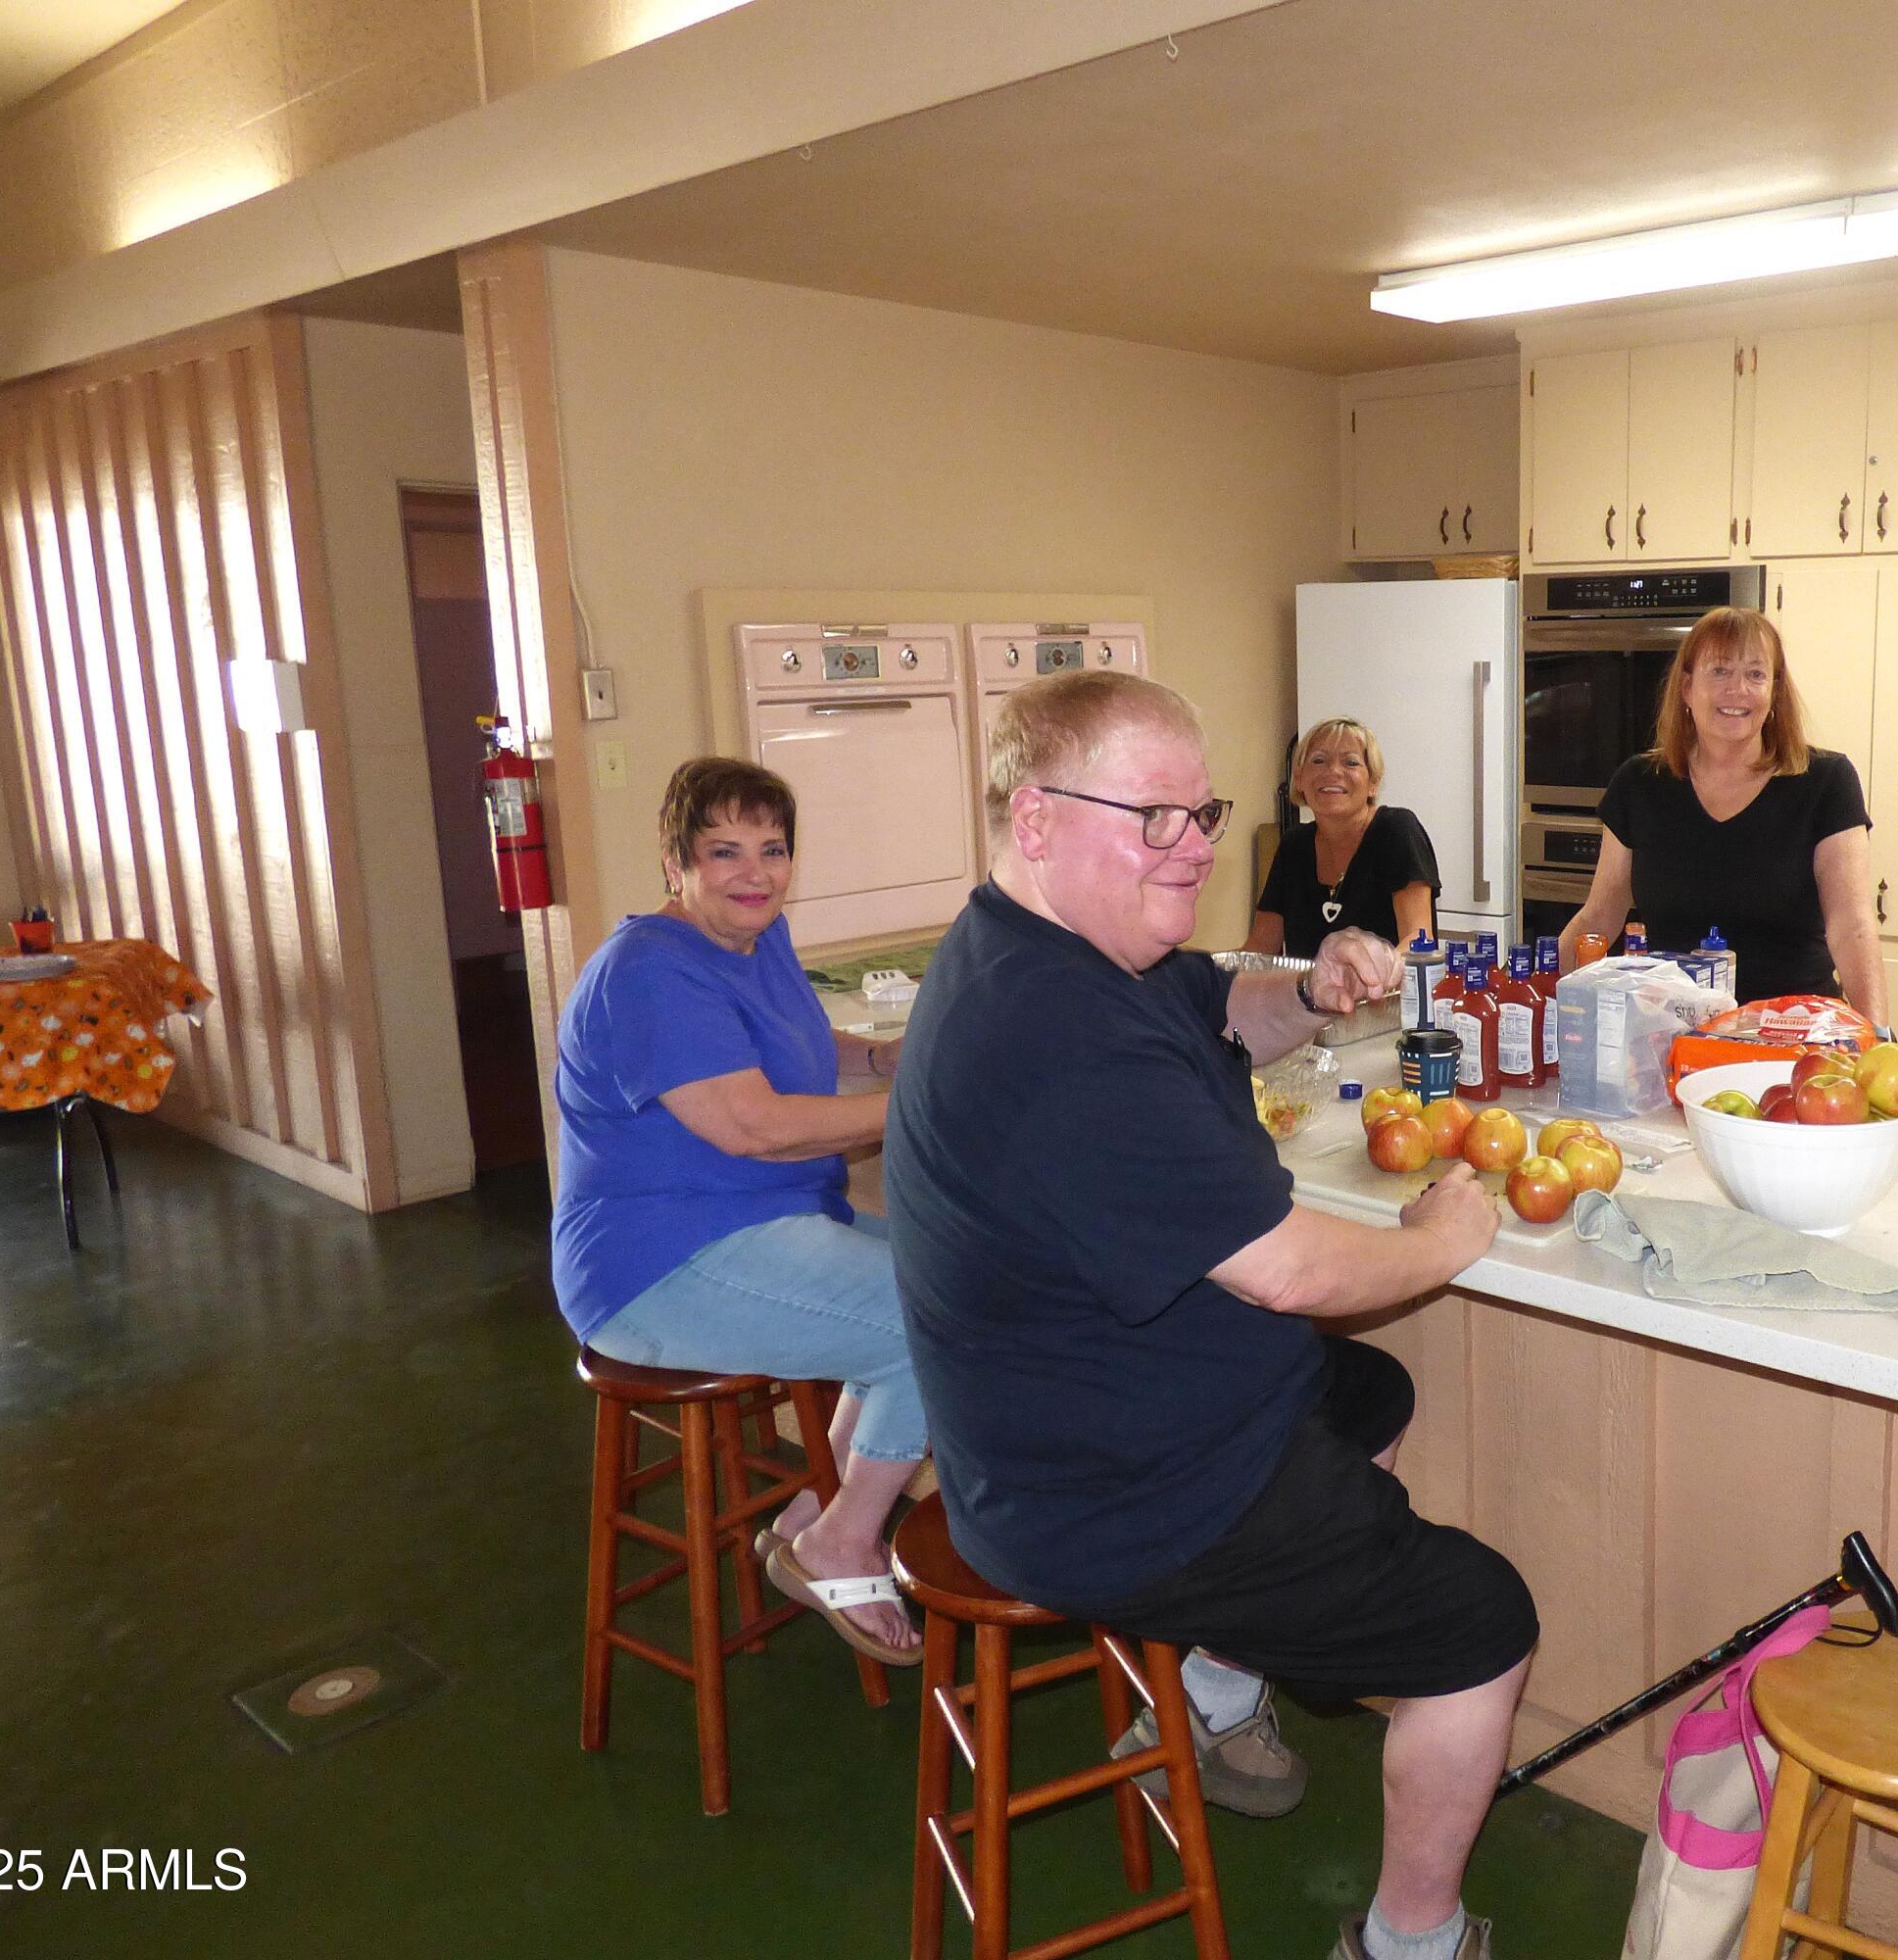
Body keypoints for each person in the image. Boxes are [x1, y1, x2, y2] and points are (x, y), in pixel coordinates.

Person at [886, 671, 1534, 1960]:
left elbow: (1213, 1003)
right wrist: (1444, 1237)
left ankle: (1217, 1686)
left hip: (1084, 1413)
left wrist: (1309, 991)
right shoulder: (1055, 1035)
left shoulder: (1055, 949)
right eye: (1152, 818)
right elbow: (1288, 1273)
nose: (1188, 848)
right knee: (1482, 1624)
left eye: (1202, 813)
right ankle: (1410, 1939)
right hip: (1105, 1492)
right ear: (1034, 820)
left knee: (1370, 1395)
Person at [551, 757, 928, 1665]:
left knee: (962, 1279)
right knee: (941, 1320)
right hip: (658, 1266)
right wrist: (931, 1097)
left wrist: (885, 1059)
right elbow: (754, 1128)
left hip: (765, 1226)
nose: (755, 873)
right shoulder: (648, 969)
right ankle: (843, 1540)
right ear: (675, 864)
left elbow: (788, 1038)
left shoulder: (755, 939)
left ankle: (816, 1520)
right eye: (725, 851)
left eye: (773, 849)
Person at [1559, 605, 1891, 1016]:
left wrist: (1876, 1033)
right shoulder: (1639, 783)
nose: (1738, 690)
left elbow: (1852, 926)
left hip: (1793, 1032)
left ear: (1774, 693)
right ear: (1686, 688)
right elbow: (1599, 916)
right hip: (1670, 1034)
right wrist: (1549, 999)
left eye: (1755, 674)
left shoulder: (1825, 781)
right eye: (1720, 671)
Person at [1244, 716, 1439, 961]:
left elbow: (1417, 942)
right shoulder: (1293, 846)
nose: (1333, 771)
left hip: (1384, 998)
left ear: (1373, 783)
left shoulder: (1397, 830)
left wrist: (1358, 981)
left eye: (1351, 762)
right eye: (1318, 760)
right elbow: (1260, 949)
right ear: (1300, 779)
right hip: (1306, 999)